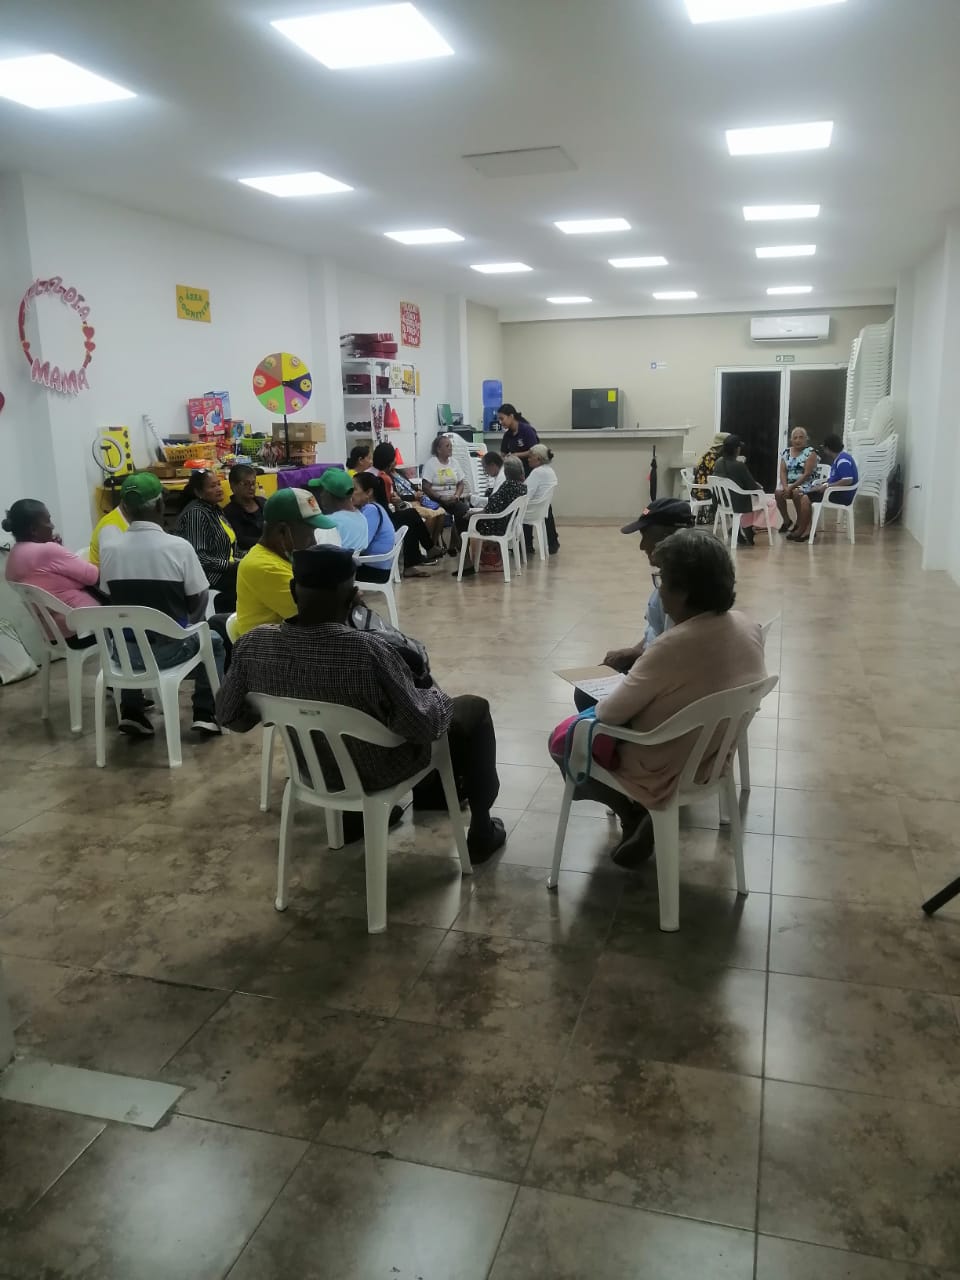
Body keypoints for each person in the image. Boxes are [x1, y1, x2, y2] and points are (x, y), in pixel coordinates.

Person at [216, 545, 507, 862]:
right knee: (472, 709)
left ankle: (355, 818)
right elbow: (422, 726)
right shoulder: (368, 652)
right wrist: (434, 692)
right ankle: (481, 830)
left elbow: (229, 715)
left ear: (292, 589)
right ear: (353, 596)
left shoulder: (253, 645)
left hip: (312, 770)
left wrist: (272, 706)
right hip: (380, 771)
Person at [550, 528, 766, 867]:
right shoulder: (746, 626)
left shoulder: (671, 646)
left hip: (662, 764)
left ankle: (633, 812)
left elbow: (608, 715)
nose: (659, 590)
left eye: (662, 580)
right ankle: (642, 817)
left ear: (684, 592)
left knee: (564, 740)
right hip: (714, 754)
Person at [97, 472, 225, 738]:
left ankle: (132, 710)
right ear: (160, 505)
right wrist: (188, 628)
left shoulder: (110, 549)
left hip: (124, 656)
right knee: (213, 640)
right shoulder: (179, 547)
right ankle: (205, 712)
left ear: (125, 509)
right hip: (171, 651)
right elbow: (199, 599)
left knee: (128, 631)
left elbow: (110, 599)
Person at [574, 498, 695, 712]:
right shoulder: (669, 579)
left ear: (670, 537)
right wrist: (635, 651)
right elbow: (657, 631)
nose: (641, 546)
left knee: (587, 698)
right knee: (591, 684)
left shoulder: (679, 594)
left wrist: (638, 662)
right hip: (652, 665)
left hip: (660, 681)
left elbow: (672, 655)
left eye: (646, 536)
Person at [234, 488, 335, 637]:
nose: (313, 542)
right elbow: (321, 618)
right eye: (308, 533)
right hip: (268, 648)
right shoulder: (264, 568)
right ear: (282, 531)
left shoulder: (284, 558)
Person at [3, 499, 102, 642]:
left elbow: (51, 580)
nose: (52, 526)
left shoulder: (14, 555)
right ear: (33, 530)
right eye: (48, 521)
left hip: (53, 631)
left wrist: (57, 549)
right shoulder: (47, 551)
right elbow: (93, 577)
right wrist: (56, 549)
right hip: (86, 626)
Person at [175, 468, 239, 609]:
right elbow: (199, 558)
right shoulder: (196, 514)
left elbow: (229, 548)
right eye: (212, 486)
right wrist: (231, 565)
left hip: (226, 570)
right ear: (198, 492)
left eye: (219, 484)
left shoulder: (215, 510)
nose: (219, 489)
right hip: (211, 578)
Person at [457, 456, 527, 577]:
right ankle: (459, 553)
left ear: (507, 472)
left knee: (460, 519)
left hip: (496, 526)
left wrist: (473, 514)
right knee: (464, 518)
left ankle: (466, 562)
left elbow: (490, 509)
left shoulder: (507, 485)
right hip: (508, 525)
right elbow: (495, 507)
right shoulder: (522, 487)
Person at [711, 435, 780, 546]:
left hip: (723, 501)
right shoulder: (739, 466)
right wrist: (760, 488)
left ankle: (742, 526)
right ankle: (750, 527)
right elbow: (752, 486)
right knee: (771, 502)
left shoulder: (718, 462)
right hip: (739, 502)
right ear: (737, 449)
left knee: (753, 499)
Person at [421, 435, 470, 552]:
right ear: (439, 449)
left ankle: (459, 543)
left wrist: (457, 495)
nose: (450, 448)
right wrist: (440, 497)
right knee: (439, 513)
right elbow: (426, 487)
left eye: (451, 446)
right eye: (447, 446)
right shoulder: (431, 464)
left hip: (453, 499)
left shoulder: (454, 463)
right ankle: (436, 545)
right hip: (436, 499)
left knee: (464, 511)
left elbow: (461, 484)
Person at [776, 427, 819, 541]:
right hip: (789, 485)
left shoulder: (811, 452)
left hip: (807, 484)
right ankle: (787, 521)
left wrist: (790, 487)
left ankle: (801, 523)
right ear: (791, 440)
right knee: (778, 493)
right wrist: (785, 487)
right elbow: (783, 471)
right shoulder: (786, 452)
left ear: (806, 439)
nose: (798, 440)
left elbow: (807, 474)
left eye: (801, 437)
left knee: (796, 492)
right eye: (795, 438)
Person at [308, 469, 368, 551]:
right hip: (355, 559)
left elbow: (323, 555)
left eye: (322, 491)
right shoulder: (362, 518)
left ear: (328, 494)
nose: (321, 495)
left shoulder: (328, 524)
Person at [353, 472, 396, 583]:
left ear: (369, 492)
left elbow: (361, 545)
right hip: (376, 566)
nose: (350, 494)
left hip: (375, 570)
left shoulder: (371, 510)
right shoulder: (375, 507)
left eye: (354, 489)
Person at [807, 432, 859, 516]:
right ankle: (807, 521)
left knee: (805, 497)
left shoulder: (843, 461)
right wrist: (823, 485)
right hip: (835, 491)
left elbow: (848, 480)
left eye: (824, 448)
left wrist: (827, 486)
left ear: (828, 449)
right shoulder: (839, 458)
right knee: (808, 491)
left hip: (841, 496)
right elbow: (836, 478)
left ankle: (806, 522)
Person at [524, 443, 560, 554]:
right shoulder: (549, 471)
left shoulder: (537, 472)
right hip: (542, 508)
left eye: (530, 457)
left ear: (538, 458)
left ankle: (523, 544)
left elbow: (525, 493)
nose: (528, 459)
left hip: (532, 510)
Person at [223, 464, 266, 555]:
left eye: (253, 483)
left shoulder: (263, 502)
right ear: (233, 486)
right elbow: (241, 540)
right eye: (246, 484)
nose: (252, 488)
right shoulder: (229, 512)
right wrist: (267, 542)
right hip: (250, 554)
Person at [497, 403, 539, 473]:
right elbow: (503, 454)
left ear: (511, 416)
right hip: (515, 471)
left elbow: (534, 451)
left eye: (502, 419)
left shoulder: (527, 430)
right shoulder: (507, 435)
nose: (500, 422)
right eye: (499, 420)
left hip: (530, 470)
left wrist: (516, 455)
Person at [692, 433, 728, 501]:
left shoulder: (709, 454)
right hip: (704, 492)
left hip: (699, 490)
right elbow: (720, 477)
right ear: (722, 447)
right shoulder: (713, 458)